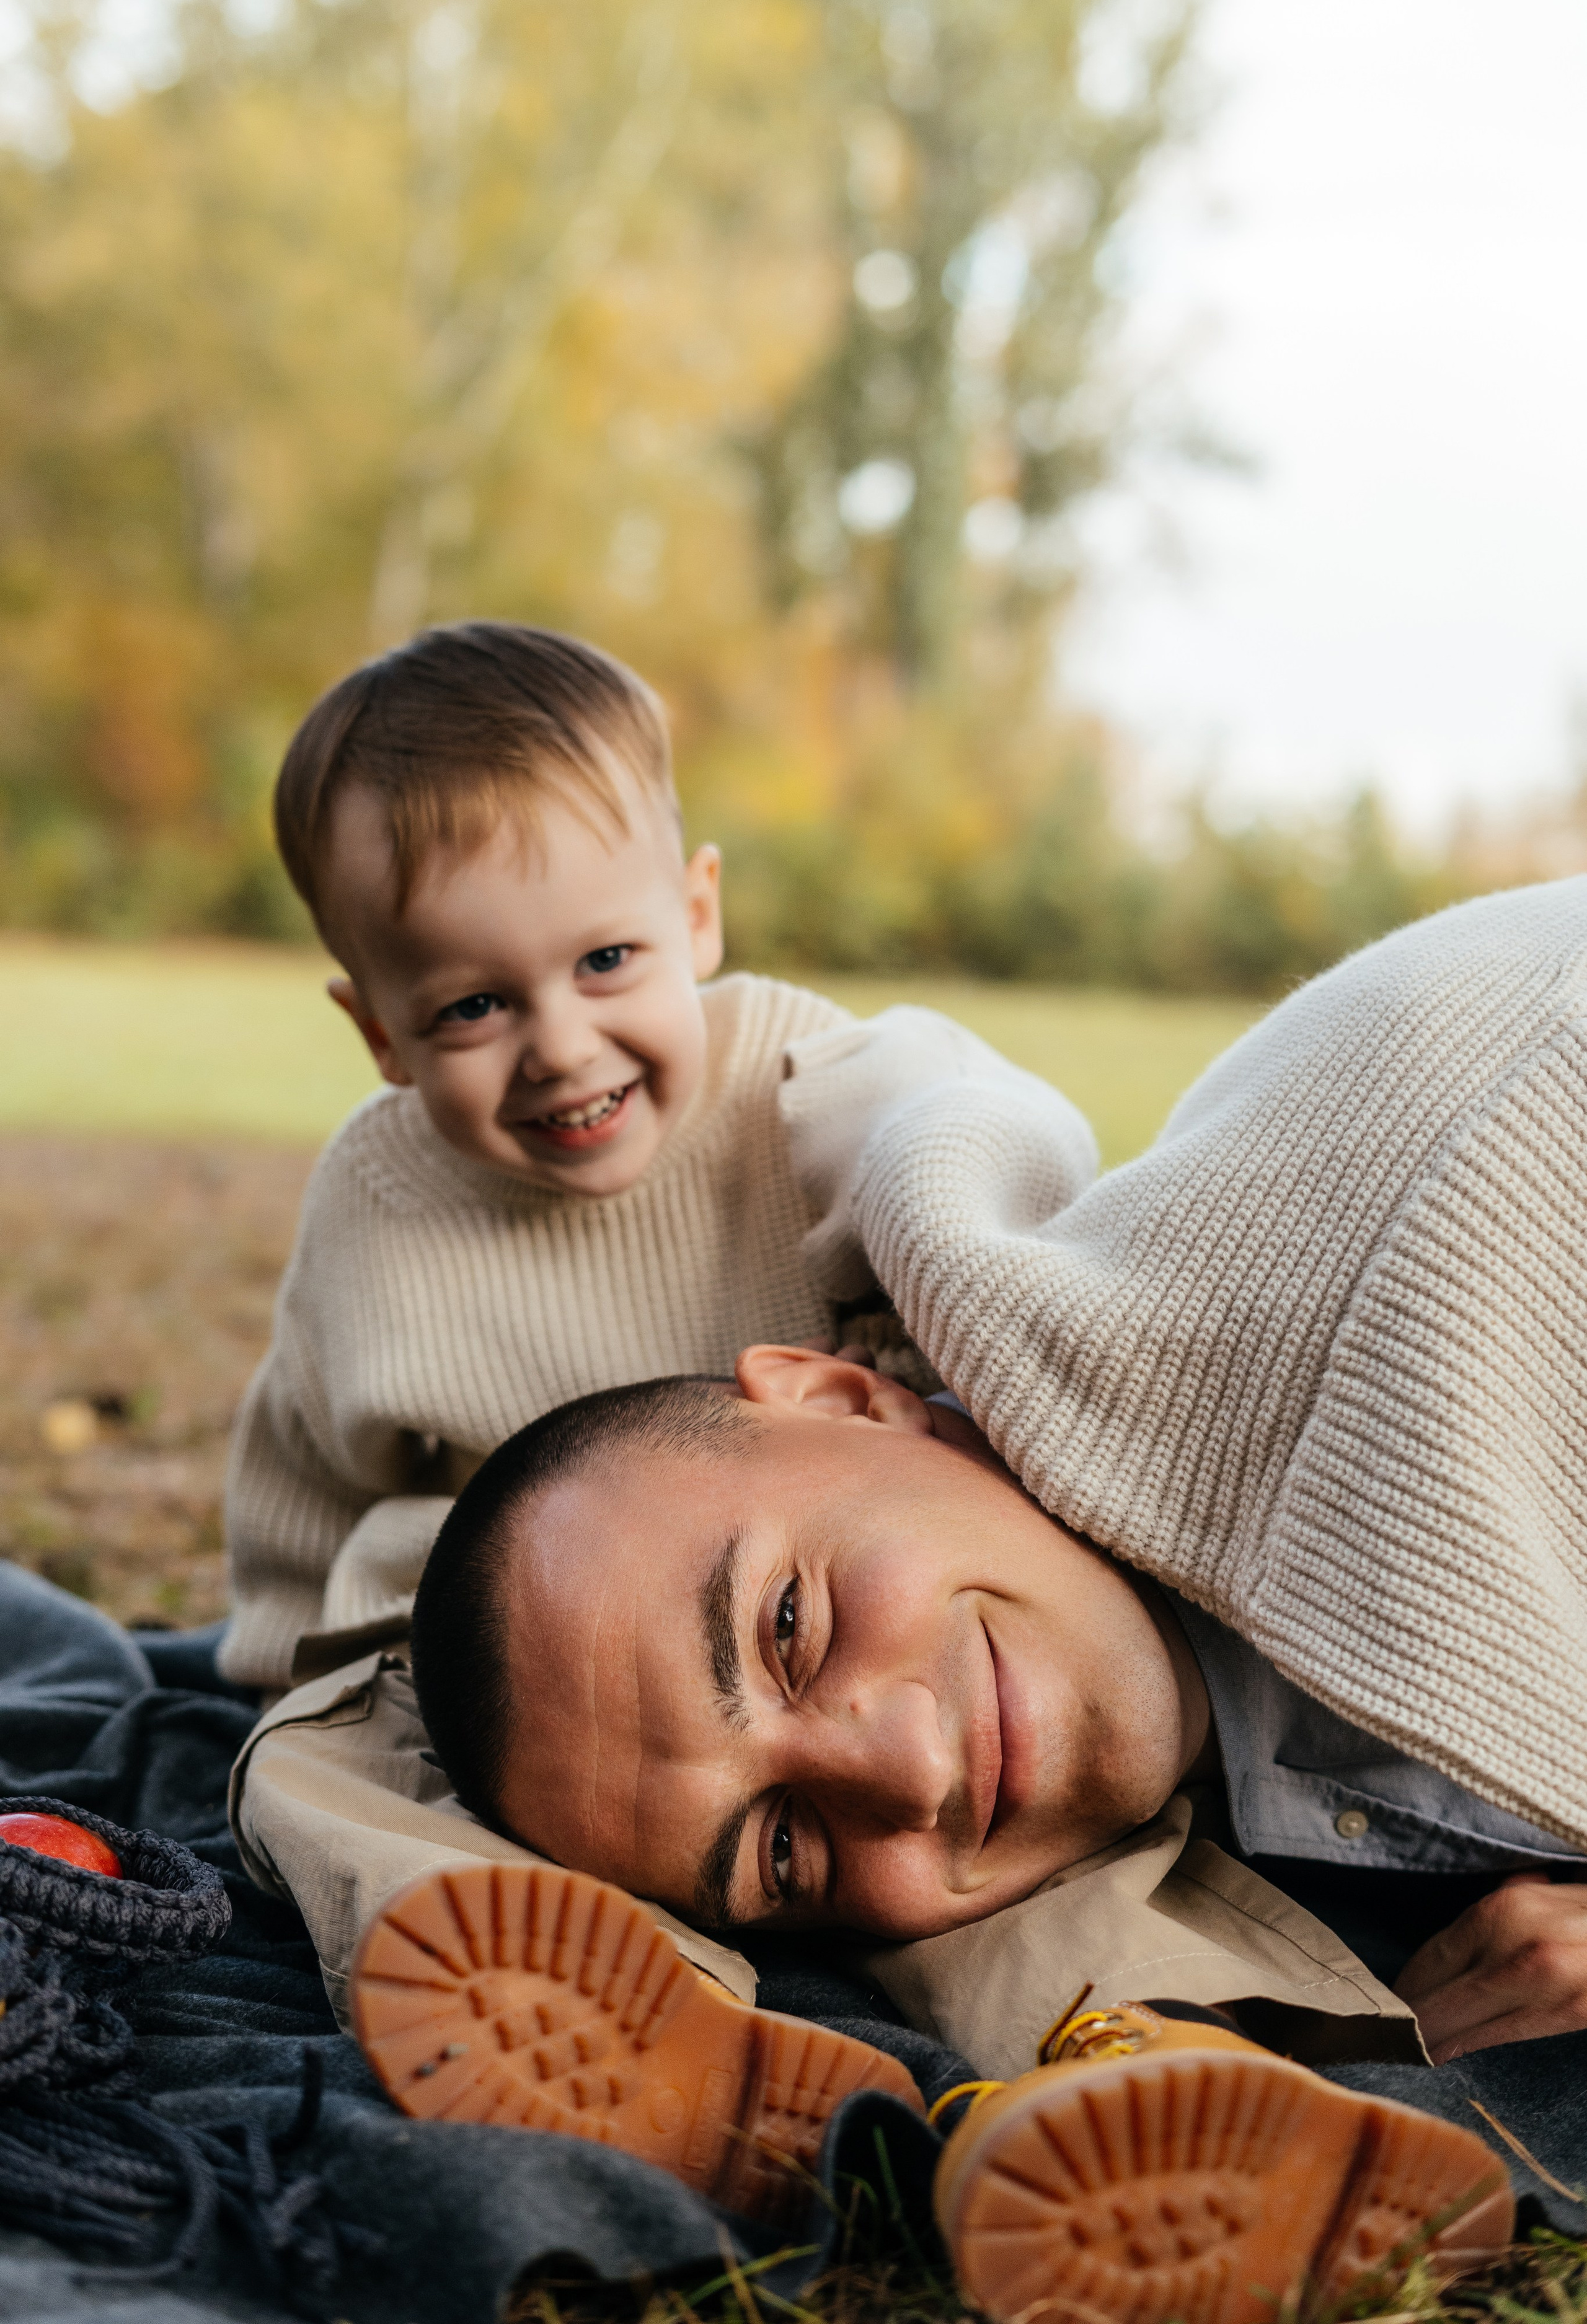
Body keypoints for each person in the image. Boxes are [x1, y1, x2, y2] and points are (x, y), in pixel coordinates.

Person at [363, 878, 1587, 2315]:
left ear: (843, 1397)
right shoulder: (1149, 1765)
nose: (900, 1769)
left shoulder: (1450, 1232)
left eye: (785, 1628)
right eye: (779, 1850)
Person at [220, 617, 1097, 2048]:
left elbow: (1017, 1198)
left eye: (607, 960)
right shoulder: (377, 1208)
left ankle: (1125, 2041)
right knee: (313, 1788)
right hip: (509, 1695)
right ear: (376, 1031)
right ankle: (584, 2014)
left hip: (821, 1661)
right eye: (472, 1006)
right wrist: (282, 1674)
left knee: (983, 1843)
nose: (560, 1044)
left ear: (696, 915)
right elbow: (304, 1459)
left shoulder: (824, 1092)